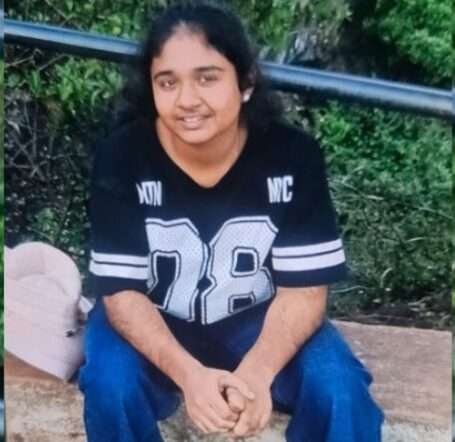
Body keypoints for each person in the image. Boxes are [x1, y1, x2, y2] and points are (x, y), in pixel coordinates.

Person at [79, 1, 384, 441]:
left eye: (207, 78)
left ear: (246, 82)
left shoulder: (292, 155)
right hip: (156, 317)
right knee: (110, 385)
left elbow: (304, 292)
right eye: (168, 82)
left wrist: (258, 372)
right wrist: (190, 375)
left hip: (257, 318)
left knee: (340, 390)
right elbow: (122, 295)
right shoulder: (123, 155)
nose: (187, 100)